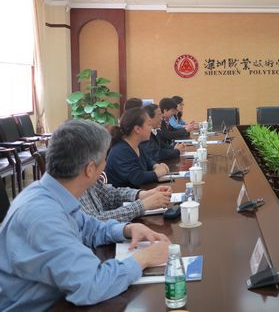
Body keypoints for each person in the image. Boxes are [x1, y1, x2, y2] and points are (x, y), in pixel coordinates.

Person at [0, 119, 169, 310]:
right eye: (104, 160)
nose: (106, 165)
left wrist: (127, 229)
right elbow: (91, 285)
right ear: (89, 169)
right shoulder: (43, 216)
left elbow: (89, 228)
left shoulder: (51, 192)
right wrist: (144, 258)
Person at [105, 108, 170, 188]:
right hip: (126, 195)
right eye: (149, 124)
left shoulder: (135, 145)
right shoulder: (121, 151)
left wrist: (156, 166)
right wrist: (157, 173)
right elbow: (136, 178)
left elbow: (148, 160)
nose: (151, 128)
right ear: (137, 129)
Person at [80, 172, 172, 222]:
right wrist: (142, 205)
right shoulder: (75, 187)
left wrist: (143, 194)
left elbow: (111, 195)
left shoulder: (87, 177)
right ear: (90, 167)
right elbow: (94, 223)